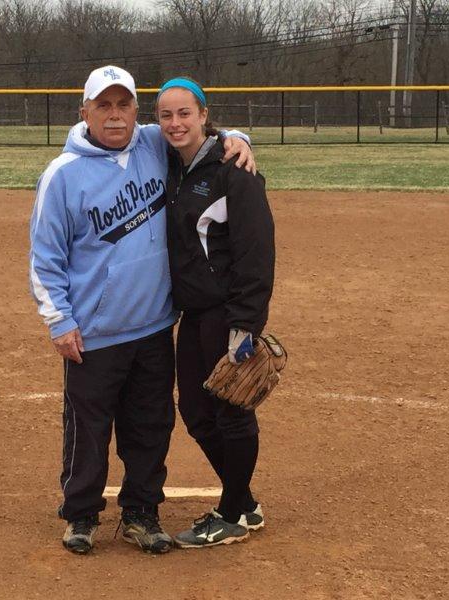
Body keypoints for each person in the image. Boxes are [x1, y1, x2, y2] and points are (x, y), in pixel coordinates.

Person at [29, 65, 255, 555]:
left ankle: (141, 512)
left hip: (154, 327)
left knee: (151, 426)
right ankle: (82, 514)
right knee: (88, 430)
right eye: (104, 105)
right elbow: (45, 258)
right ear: (84, 111)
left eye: (124, 105)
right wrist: (60, 321)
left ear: (136, 111)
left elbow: (200, 133)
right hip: (92, 332)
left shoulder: (153, 143)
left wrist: (239, 138)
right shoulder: (62, 175)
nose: (115, 116)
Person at [155, 77, 275, 548]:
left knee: (231, 411)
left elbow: (256, 252)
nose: (176, 123)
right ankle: (244, 502)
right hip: (194, 314)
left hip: (228, 314)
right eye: (166, 115)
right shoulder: (168, 165)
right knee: (196, 412)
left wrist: (246, 324)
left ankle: (230, 514)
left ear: (204, 116)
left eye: (185, 113)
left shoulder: (232, 171)